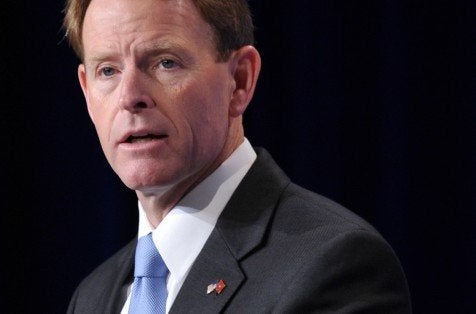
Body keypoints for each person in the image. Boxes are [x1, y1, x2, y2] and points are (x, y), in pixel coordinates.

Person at [63, 0, 411, 312]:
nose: (130, 97)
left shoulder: (334, 266)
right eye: (108, 70)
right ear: (87, 92)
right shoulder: (93, 297)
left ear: (240, 80)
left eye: (165, 63)